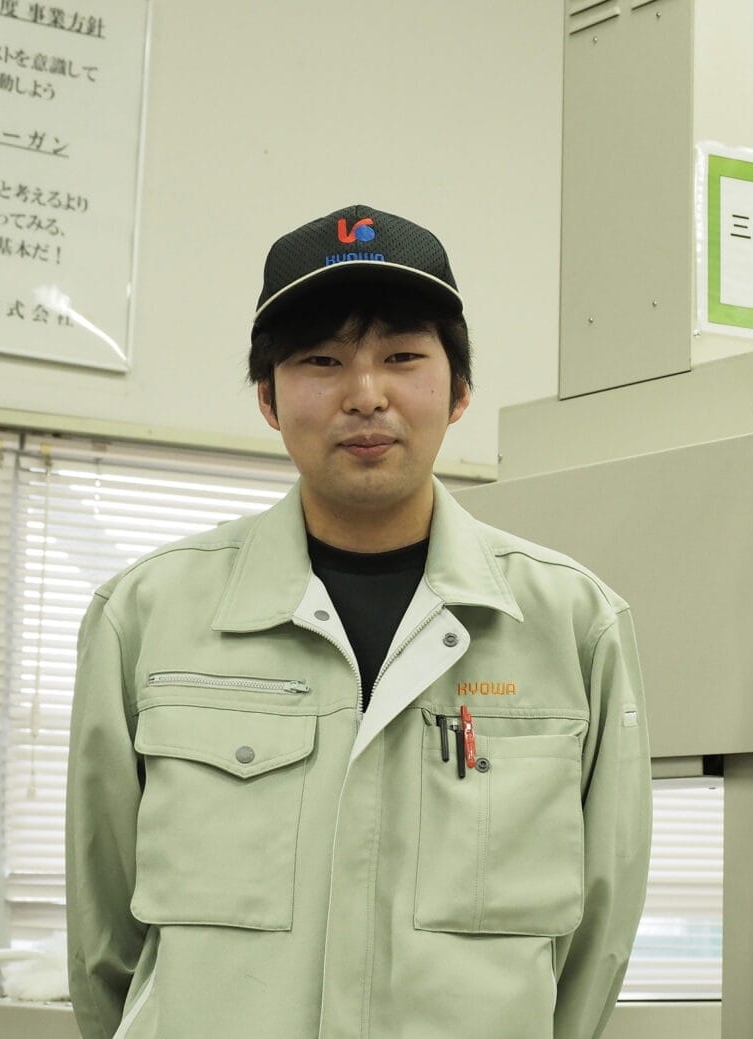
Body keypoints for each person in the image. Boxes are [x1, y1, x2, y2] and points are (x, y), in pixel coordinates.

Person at [65, 204, 653, 1039]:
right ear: (269, 398)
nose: (366, 394)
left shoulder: (572, 626)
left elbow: (598, 937)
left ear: (459, 391)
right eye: (322, 360)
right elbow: (105, 944)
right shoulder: (146, 617)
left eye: (402, 357)